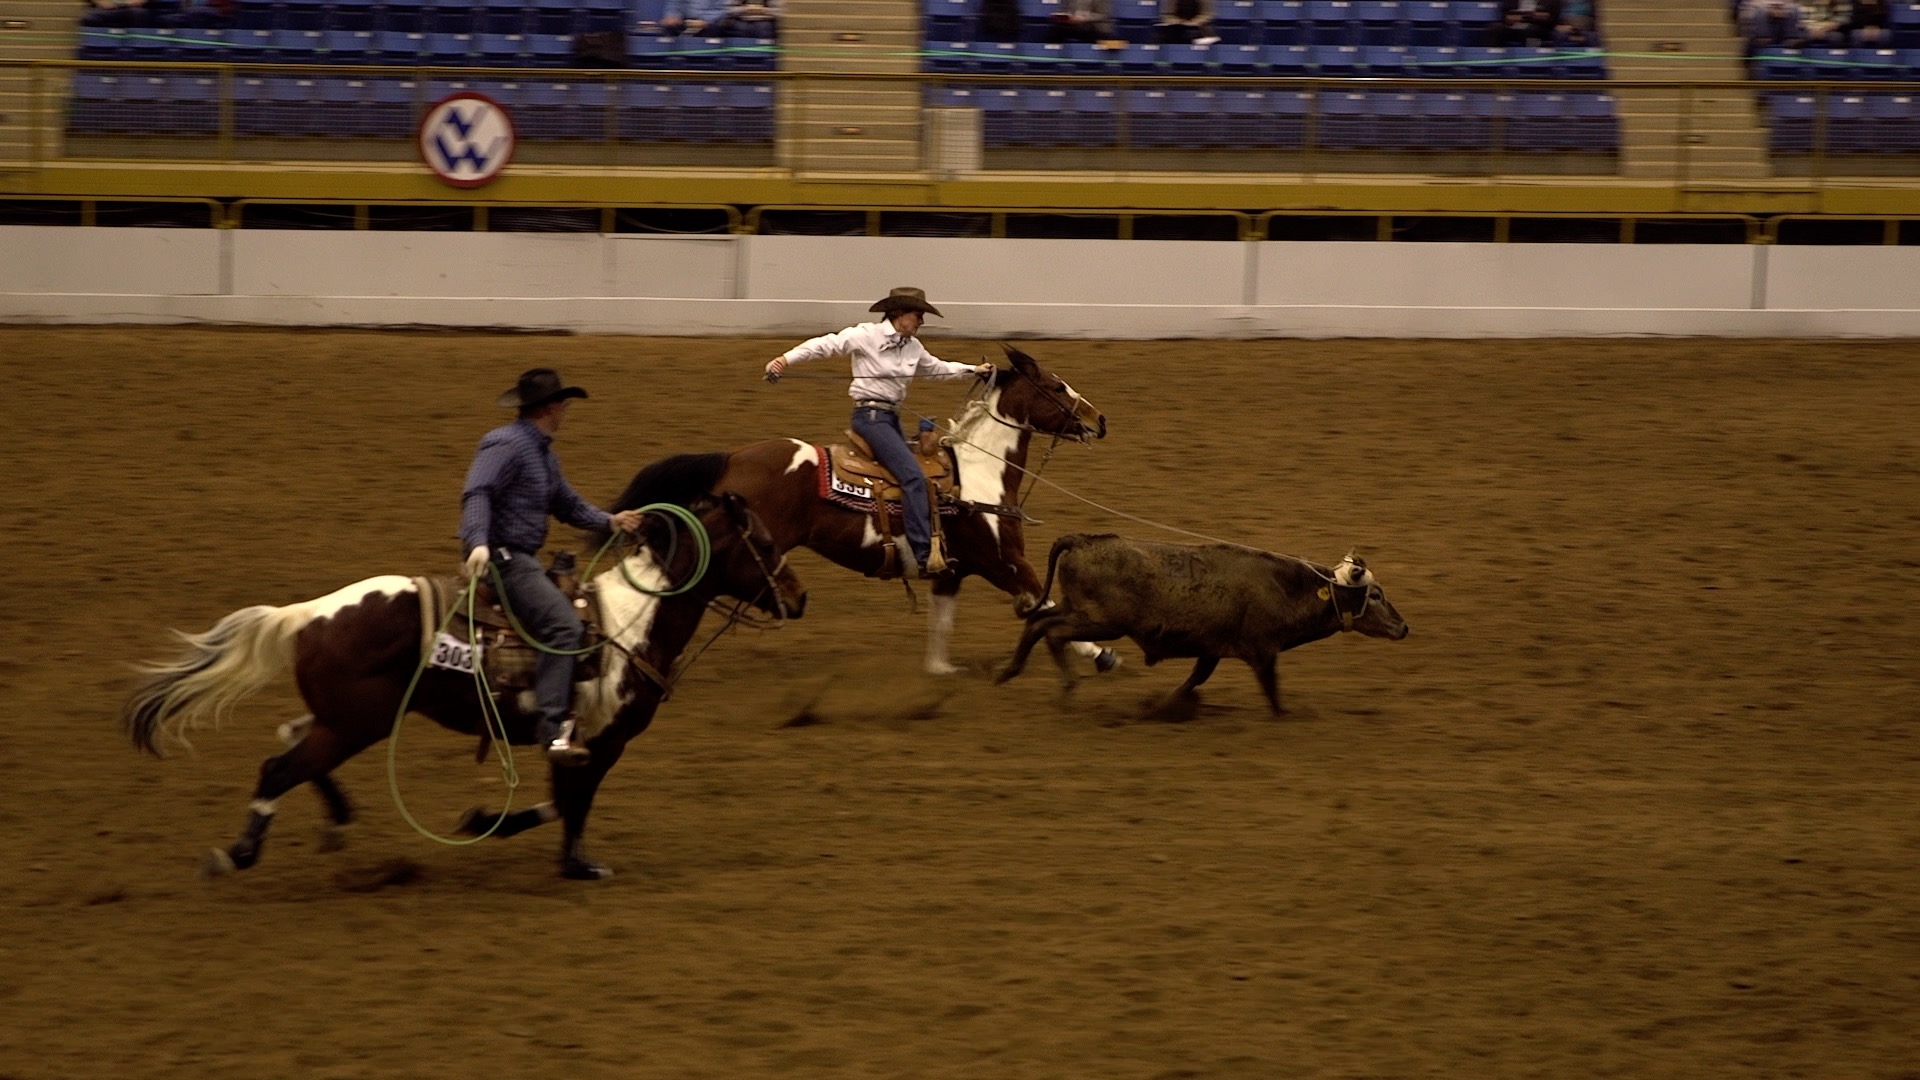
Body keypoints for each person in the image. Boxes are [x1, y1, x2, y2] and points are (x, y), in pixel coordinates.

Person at [460, 368, 643, 766]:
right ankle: (553, 731)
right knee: (564, 626)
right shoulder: (506, 444)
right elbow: (478, 490)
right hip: (504, 559)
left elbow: (567, 504)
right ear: (548, 407)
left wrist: (610, 521)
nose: (565, 411)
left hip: (519, 558)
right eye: (562, 403)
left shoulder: (542, 454)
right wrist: (477, 543)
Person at [763, 287, 992, 579]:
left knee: (926, 470)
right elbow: (825, 345)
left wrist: (973, 369)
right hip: (870, 419)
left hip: (890, 419)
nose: (921, 321)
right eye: (917, 314)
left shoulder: (914, 347)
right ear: (898, 314)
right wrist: (784, 360)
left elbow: (938, 369)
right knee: (912, 476)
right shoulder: (866, 335)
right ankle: (924, 555)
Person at [1046, 0, 1117, 44]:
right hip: (1074, 25)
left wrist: (1084, 18)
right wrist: (1065, 17)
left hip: (1093, 26)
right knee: (1055, 30)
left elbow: (1103, 15)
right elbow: (1064, 10)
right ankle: (1052, 55)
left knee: (1107, 36)